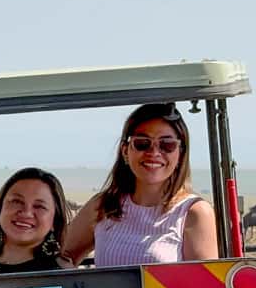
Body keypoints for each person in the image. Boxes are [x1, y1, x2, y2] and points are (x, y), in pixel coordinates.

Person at [63, 103, 218, 266]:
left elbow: (205, 286)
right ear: (125, 150)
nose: (154, 153)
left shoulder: (193, 213)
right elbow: (62, 257)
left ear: (180, 154)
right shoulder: (103, 205)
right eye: (142, 143)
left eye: (167, 145)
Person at [0, 167, 74, 273]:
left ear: (55, 221)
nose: (26, 213)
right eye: (17, 201)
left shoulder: (61, 274)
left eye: (39, 206)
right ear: (0, 207)